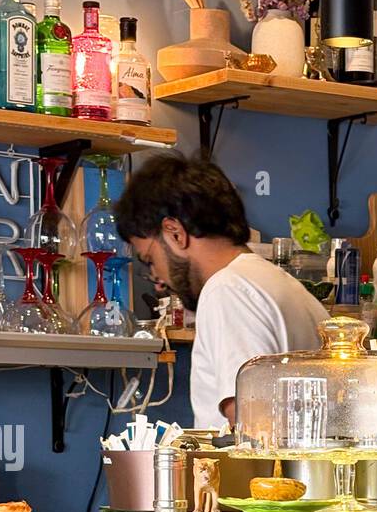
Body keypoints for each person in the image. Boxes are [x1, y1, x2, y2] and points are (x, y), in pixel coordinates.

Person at [114, 153, 327, 425]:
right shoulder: (281, 285)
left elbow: (250, 422)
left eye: (150, 259)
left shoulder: (227, 291)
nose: (156, 278)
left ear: (175, 233)